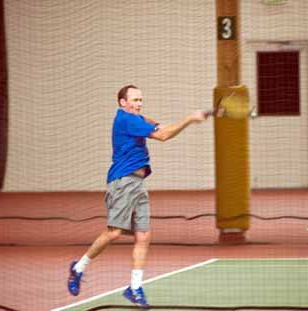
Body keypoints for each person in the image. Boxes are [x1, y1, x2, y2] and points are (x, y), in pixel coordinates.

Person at [68, 85, 206, 307]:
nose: (139, 103)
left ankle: (134, 288)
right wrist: (189, 118)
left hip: (139, 183)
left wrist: (155, 121)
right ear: (123, 102)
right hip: (122, 182)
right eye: (134, 100)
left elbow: (145, 118)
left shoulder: (133, 116)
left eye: (141, 99)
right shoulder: (127, 121)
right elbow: (163, 136)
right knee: (113, 233)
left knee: (143, 236)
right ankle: (78, 267)